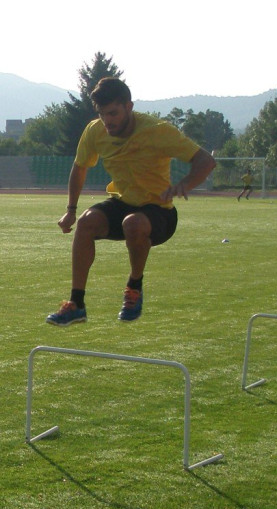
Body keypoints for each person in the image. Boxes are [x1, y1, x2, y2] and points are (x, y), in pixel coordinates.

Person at [48, 78, 215, 326]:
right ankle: (76, 304)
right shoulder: (95, 131)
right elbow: (80, 167)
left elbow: (206, 161)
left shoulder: (158, 131)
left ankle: (134, 287)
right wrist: (71, 210)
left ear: (129, 106)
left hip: (159, 210)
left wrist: (186, 184)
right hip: (123, 202)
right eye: (102, 114)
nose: (108, 121)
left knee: (133, 223)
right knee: (86, 222)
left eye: (113, 113)